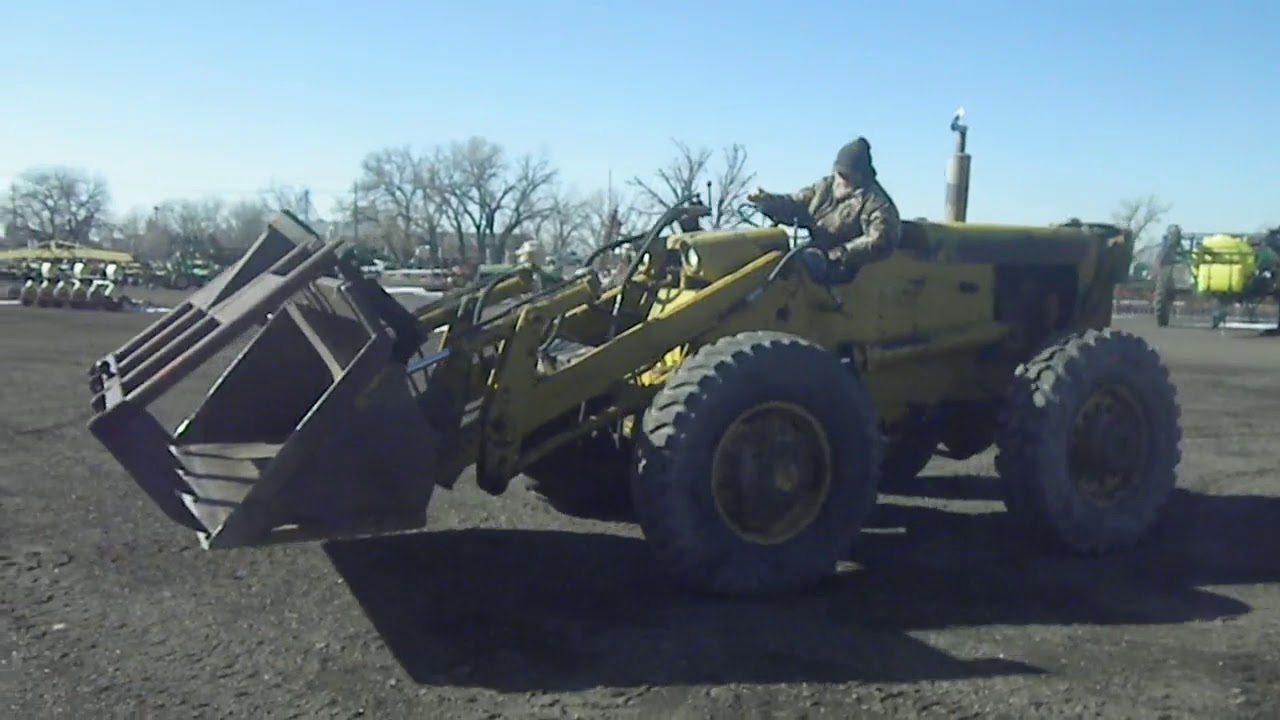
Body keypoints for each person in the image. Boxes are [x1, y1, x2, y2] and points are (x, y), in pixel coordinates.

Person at [747, 137, 901, 282]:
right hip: (813, 252)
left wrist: (838, 254)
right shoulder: (824, 187)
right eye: (838, 173)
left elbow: (880, 239)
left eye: (845, 175)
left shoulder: (876, 203)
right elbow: (796, 203)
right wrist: (767, 201)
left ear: (860, 174)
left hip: (843, 267)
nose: (840, 179)